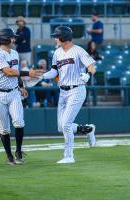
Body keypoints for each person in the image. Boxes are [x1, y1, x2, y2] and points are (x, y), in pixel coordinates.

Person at [40, 26, 96, 164]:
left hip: (77, 89)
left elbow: (92, 66)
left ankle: (69, 156)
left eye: (57, 36)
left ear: (64, 37)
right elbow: (54, 72)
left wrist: (88, 75)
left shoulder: (78, 50)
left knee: (66, 124)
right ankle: (88, 129)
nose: (55, 38)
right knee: (61, 126)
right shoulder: (57, 52)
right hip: (63, 92)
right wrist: (41, 76)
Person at [0, 28, 43, 165]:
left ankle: (18, 151)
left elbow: (15, 72)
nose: (14, 39)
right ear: (4, 39)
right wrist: (28, 73)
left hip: (14, 92)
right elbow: (8, 71)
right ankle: (9, 156)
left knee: (19, 121)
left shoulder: (14, 53)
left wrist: (21, 86)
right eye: (12, 37)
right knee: (4, 128)